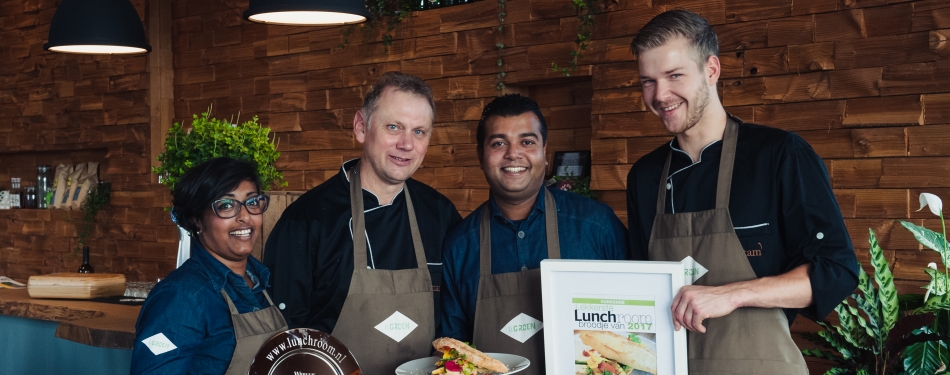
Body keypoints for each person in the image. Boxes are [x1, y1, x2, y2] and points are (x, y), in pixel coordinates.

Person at [625, 10, 859, 374]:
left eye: (674, 76)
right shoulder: (645, 176)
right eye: (648, 81)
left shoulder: (779, 155)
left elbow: (836, 271)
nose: (660, 95)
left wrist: (733, 294)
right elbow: (640, 291)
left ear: (711, 70)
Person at [264, 71, 463, 374]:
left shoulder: (440, 214)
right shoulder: (306, 220)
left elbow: (456, 322)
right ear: (361, 127)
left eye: (419, 132)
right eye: (394, 127)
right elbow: (284, 342)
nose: (407, 144)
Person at [439, 94, 628, 375]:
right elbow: (453, 353)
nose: (513, 153)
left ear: (544, 150)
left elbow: (635, 320)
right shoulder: (460, 246)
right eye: (498, 143)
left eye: (527, 142)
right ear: (480, 155)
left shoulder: (596, 226)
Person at [131, 157, 286, 375]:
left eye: (252, 202)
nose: (244, 217)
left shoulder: (263, 281)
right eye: (226, 205)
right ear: (196, 220)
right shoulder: (181, 297)